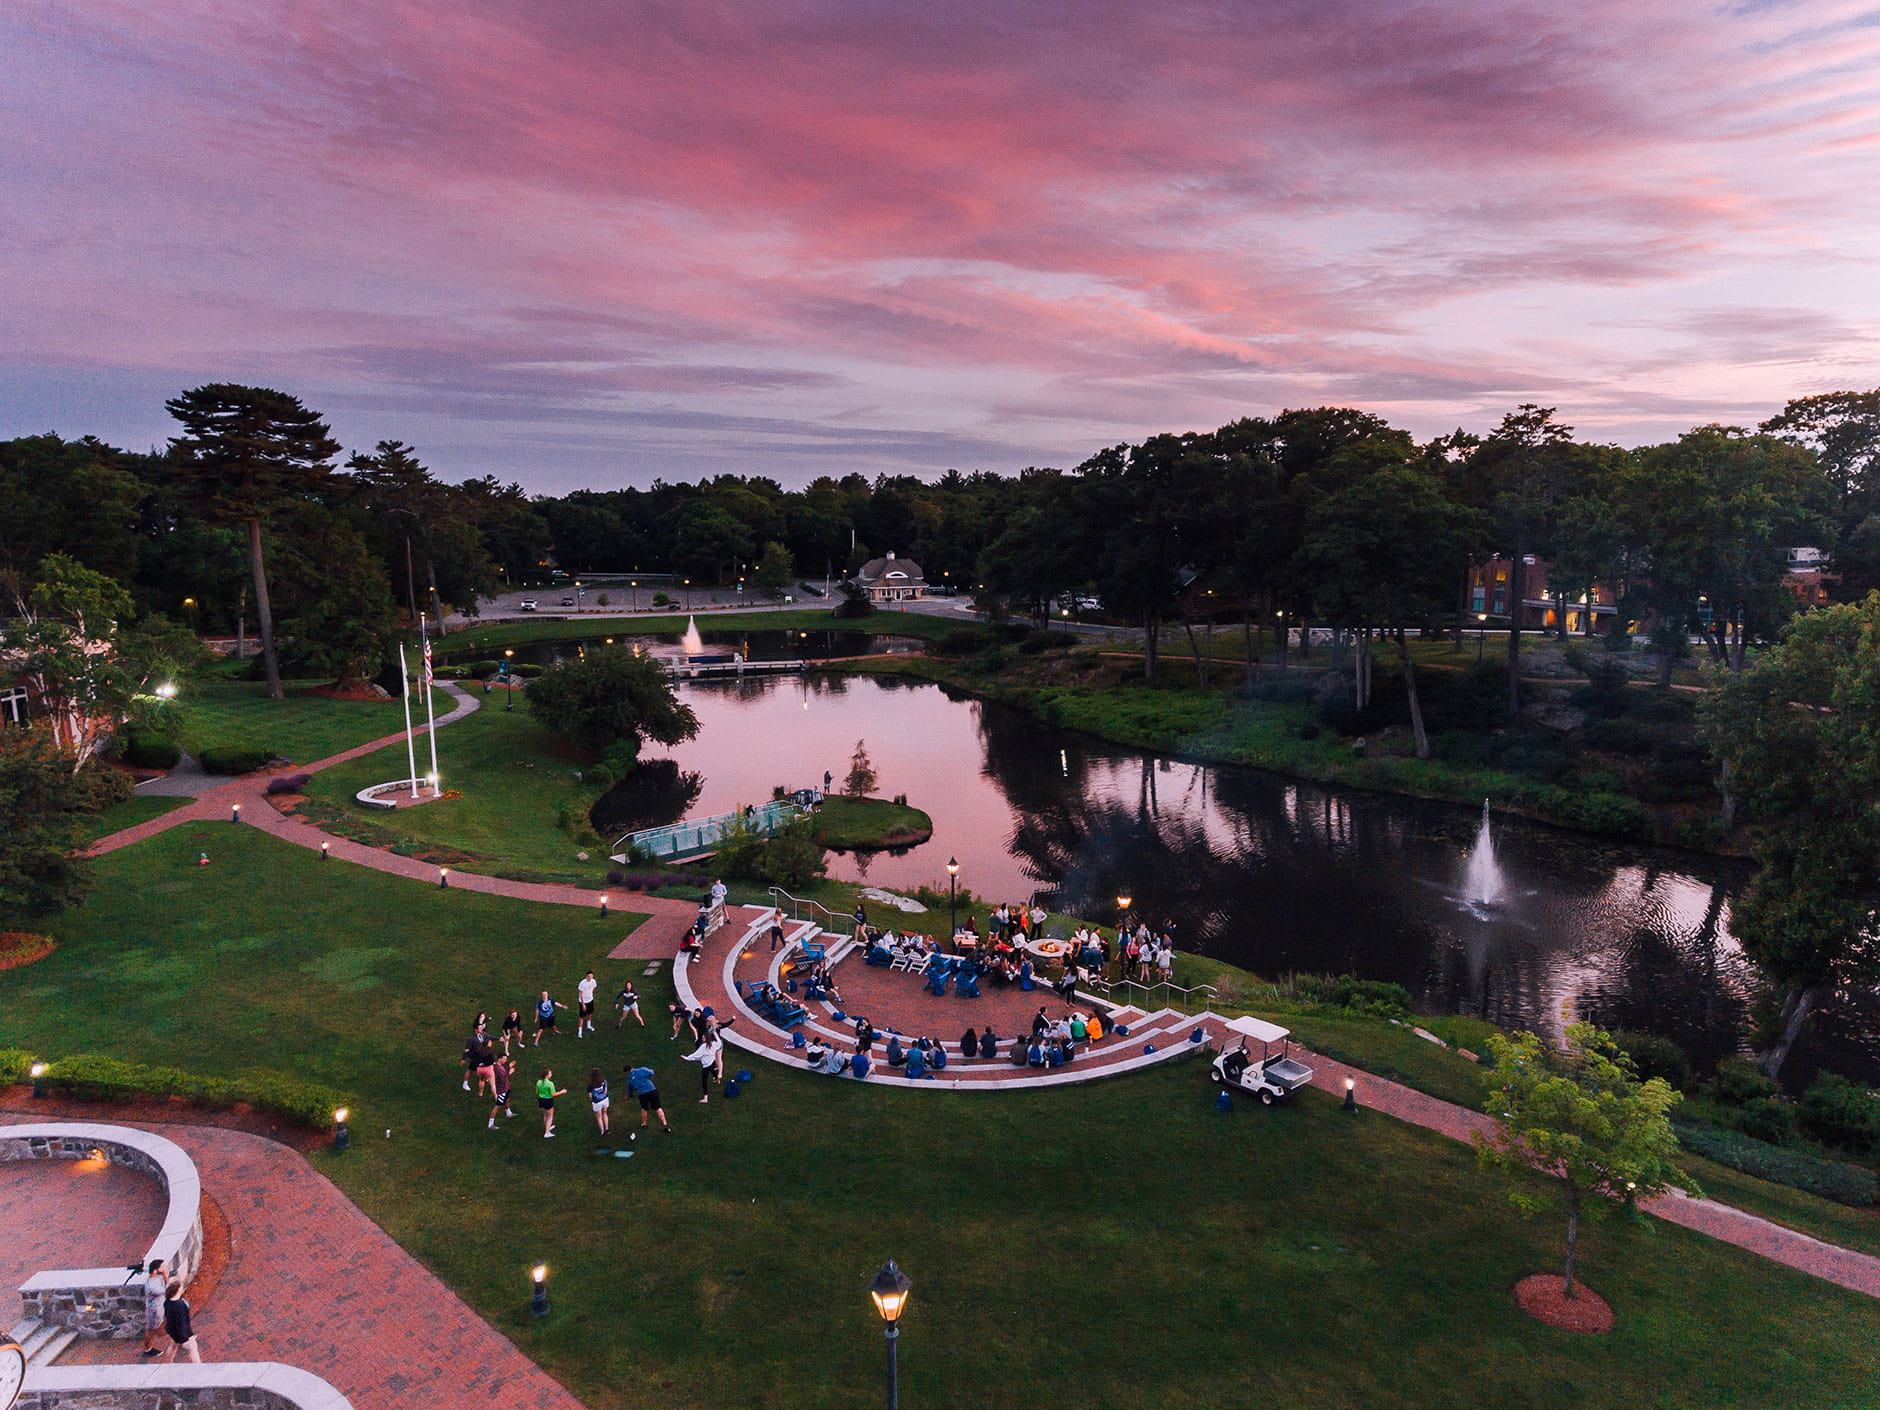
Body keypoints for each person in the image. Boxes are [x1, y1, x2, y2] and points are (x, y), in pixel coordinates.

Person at [162, 1280, 200, 1363]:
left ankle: (168, 1362)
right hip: (184, 1333)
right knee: (193, 1349)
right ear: (178, 1290)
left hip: (172, 1330)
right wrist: (185, 1339)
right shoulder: (179, 1305)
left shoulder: (167, 1302)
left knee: (173, 1346)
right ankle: (199, 1367)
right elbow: (182, 1323)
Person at [625, 1064, 669, 1131]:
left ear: (627, 1071)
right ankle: (665, 1125)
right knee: (658, 1108)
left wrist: (629, 1096)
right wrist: (648, 1077)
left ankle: (643, 1124)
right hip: (652, 1090)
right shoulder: (641, 1069)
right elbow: (651, 1072)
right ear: (632, 1067)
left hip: (642, 1094)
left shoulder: (629, 1079)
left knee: (644, 1109)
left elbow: (630, 1089)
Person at [684, 1031, 721, 1103]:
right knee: (713, 1070)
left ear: (706, 1039)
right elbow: (718, 1040)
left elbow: (696, 1055)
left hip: (706, 1065)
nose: (702, 1038)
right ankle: (717, 1079)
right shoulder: (715, 1044)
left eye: (703, 1037)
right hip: (711, 1061)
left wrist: (686, 1058)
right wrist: (714, 1032)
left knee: (704, 1081)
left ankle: (705, 1098)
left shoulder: (704, 1047)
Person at [140, 1259, 167, 1356]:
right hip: (155, 1310)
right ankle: (148, 1349)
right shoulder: (152, 1287)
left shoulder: (155, 1278)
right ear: (156, 1270)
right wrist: (166, 1276)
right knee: (151, 1330)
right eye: (162, 1267)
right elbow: (167, 1290)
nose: (164, 1269)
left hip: (160, 1306)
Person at [536, 1068, 566, 1137]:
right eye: (550, 1073)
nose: (551, 1074)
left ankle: (547, 1127)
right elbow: (553, 1094)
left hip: (541, 1099)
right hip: (548, 1100)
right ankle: (547, 1132)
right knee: (550, 1115)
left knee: (545, 1114)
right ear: (547, 1075)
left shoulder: (538, 1082)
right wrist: (562, 1092)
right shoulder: (550, 1084)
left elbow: (537, 1091)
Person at [488, 1056, 515, 1127]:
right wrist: (510, 1073)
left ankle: (508, 1112)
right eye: (504, 1059)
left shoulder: (499, 1066)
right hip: (501, 1090)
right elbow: (502, 1079)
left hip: (506, 1088)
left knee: (507, 1099)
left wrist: (509, 1067)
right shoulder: (497, 1068)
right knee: (497, 1106)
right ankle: (490, 1124)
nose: (505, 1060)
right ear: (500, 1059)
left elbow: (504, 1072)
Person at [576, 970, 599, 1037]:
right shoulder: (582, 983)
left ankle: (588, 1025)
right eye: (589, 976)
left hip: (590, 1000)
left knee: (589, 1013)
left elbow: (594, 988)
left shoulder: (593, 981)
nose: (590, 978)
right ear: (586, 976)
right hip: (583, 1002)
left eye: (591, 976)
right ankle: (580, 1031)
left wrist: (590, 994)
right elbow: (581, 993)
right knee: (582, 1016)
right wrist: (583, 1004)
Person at [588, 1067, 610, 1134]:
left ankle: (602, 1131)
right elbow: (605, 1091)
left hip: (597, 1102)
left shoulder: (591, 1085)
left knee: (599, 1117)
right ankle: (607, 1129)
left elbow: (590, 1096)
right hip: (605, 1099)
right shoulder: (604, 1081)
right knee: (605, 1113)